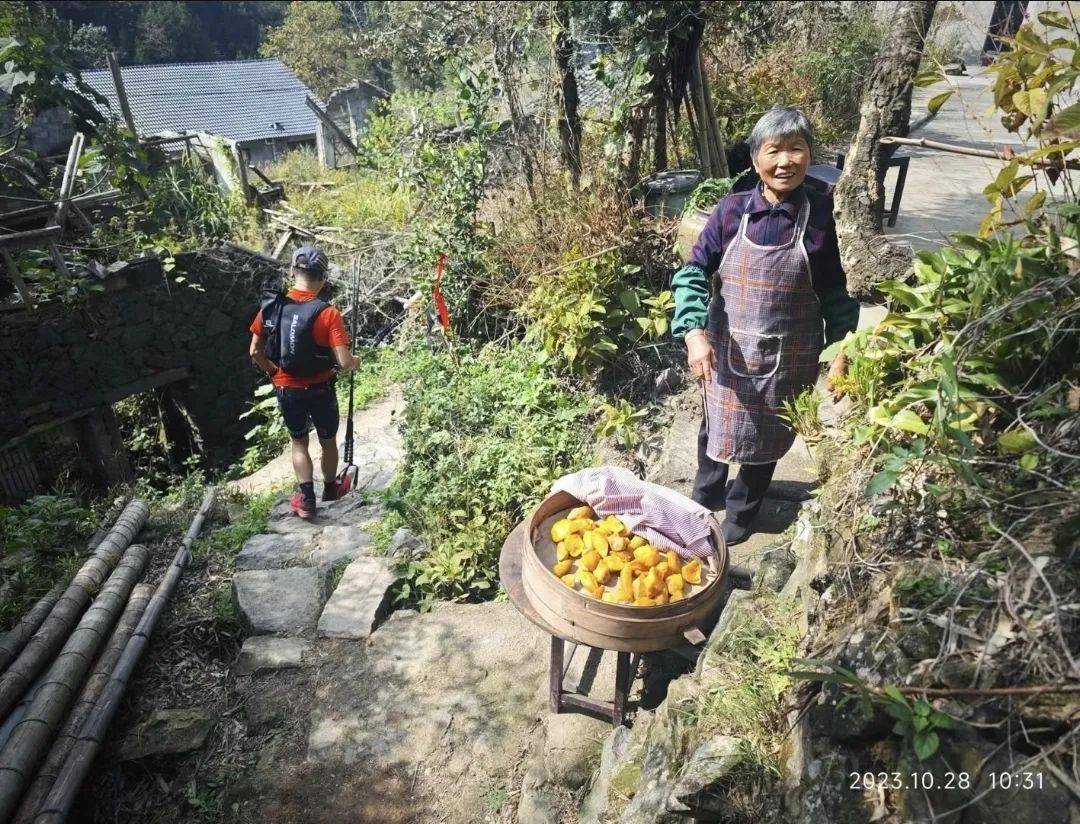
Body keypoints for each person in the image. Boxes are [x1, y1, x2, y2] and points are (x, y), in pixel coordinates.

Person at [671, 106, 860, 545]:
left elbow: (838, 295)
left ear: (809, 155)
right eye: (774, 150)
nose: (785, 161)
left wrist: (840, 354)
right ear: (756, 159)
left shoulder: (823, 219)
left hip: (790, 350)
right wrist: (694, 331)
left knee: (770, 432)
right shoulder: (732, 210)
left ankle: (743, 509)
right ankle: (706, 491)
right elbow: (694, 272)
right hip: (726, 343)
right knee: (714, 420)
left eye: (796, 149)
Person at [249, 247, 357, 520]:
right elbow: (344, 362)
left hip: (287, 388)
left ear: (292, 273)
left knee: (299, 442)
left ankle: (306, 499)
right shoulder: (328, 313)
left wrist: (274, 372)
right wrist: (355, 361)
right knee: (328, 440)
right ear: (322, 278)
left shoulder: (271, 308)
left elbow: (254, 351)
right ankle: (331, 489)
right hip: (321, 387)